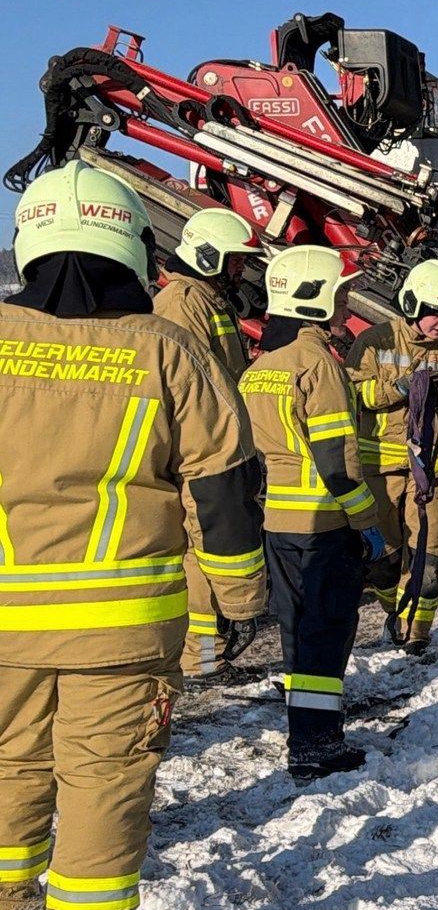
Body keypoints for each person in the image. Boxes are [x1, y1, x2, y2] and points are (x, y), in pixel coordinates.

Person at [1, 162, 266, 910]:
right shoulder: (167, 351)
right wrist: (240, 594)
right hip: (121, 628)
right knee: (103, 776)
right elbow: (222, 485)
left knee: (8, 759)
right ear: (134, 250)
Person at [239, 245, 391, 778]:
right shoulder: (318, 365)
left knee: (296, 628)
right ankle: (317, 747)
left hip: (276, 522)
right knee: (327, 632)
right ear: (316, 297)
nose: (345, 302)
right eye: (342, 293)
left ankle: (302, 733)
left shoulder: (260, 367)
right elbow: (337, 458)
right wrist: (366, 521)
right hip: (323, 523)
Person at [345, 259, 438, 655]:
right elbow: (355, 396)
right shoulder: (374, 343)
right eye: (436, 314)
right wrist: (400, 388)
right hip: (382, 472)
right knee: (384, 562)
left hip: (434, 477)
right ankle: (396, 614)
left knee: (429, 565)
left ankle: (417, 636)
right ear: (413, 305)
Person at [153, 208, 263, 678]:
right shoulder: (183, 302)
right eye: (235, 260)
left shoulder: (209, 300)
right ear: (208, 255)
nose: (240, 269)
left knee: (212, 554)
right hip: (199, 452)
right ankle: (202, 662)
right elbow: (194, 383)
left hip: (220, 444)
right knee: (198, 557)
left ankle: (212, 652)